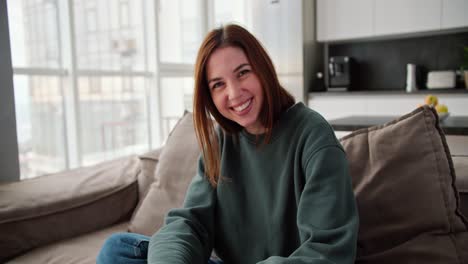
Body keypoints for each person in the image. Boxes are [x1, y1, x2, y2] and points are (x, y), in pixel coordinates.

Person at [97, 24, 358, 264]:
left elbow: (328, 250)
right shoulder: (221, 141)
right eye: (218, 84)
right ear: (209, 96)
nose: (234, 93)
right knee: (118, 248)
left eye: (242, 73)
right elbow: (191, 223)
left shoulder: (313, 136)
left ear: (263, 69)